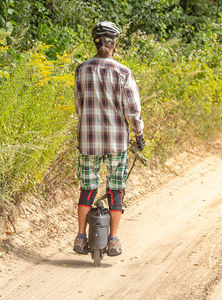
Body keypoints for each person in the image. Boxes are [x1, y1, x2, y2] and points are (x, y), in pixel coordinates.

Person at [73, 21, 145, 256]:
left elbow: (79, 106)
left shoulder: (81, 69)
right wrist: (139, 135)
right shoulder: (123, 72)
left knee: (88, 188)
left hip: (88, 141)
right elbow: (132, 110)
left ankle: (81, 237)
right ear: (114, 44)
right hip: (116, 142)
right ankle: (113, 240)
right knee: (116, 189)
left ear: (95, 42)